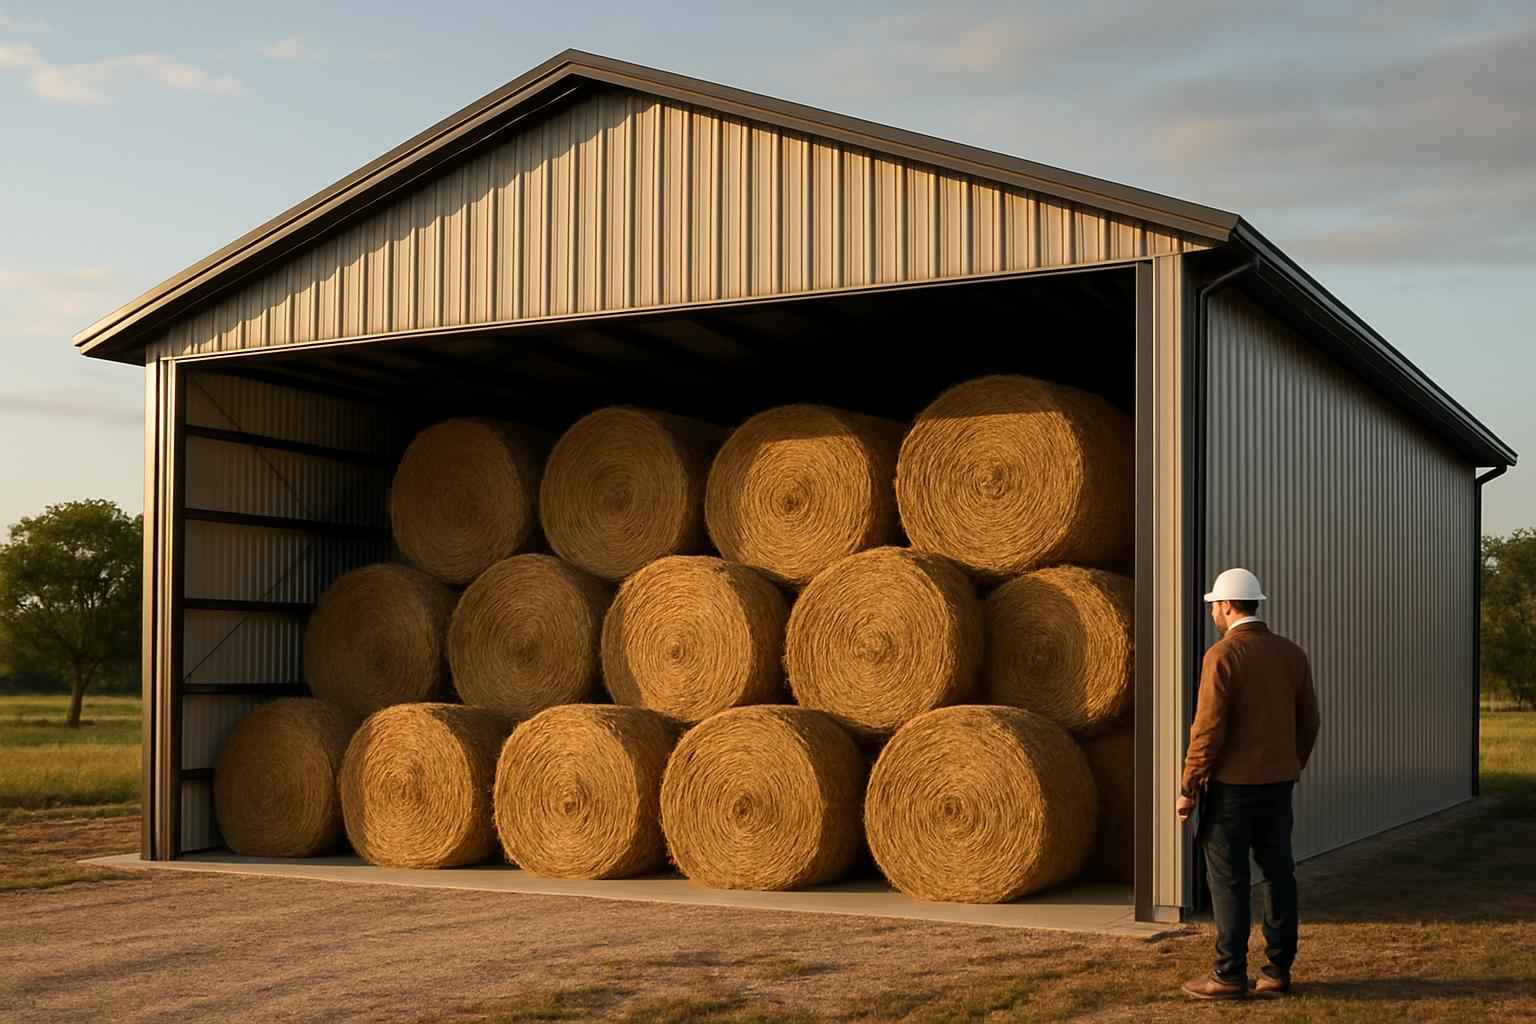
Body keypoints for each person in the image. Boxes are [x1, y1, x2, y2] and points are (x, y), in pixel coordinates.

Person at [1177, 568, 1321, 1000]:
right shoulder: (1291, 654)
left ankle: (1228, 974)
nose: (1212, 613)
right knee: (1279, 874)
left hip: (1231, 789)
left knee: (1229, 880)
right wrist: (1289, 765)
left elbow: (1207, 730)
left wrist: (1189, 786)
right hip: (1278, 785)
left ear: (1226, 606)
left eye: (1214, 606)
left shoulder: (1222, 655)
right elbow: (1309, 721)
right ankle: (1277, 971)